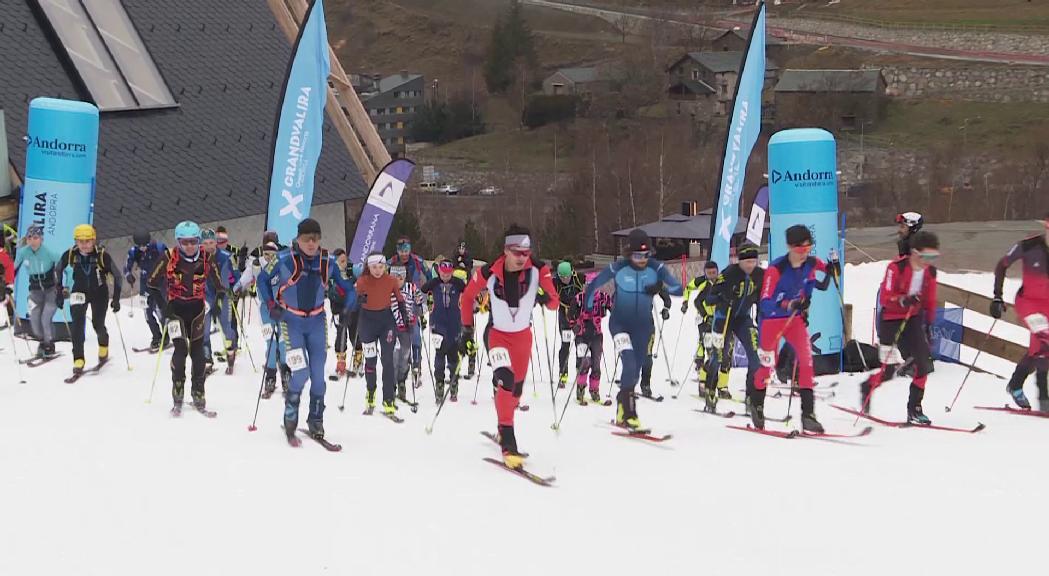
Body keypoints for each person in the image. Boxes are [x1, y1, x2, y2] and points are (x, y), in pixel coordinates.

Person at [461, 225, 559, 468]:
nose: (522, 258)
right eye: (516, 252)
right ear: (505, 250)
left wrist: (546, 299)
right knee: (505, 378)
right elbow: (467, 296)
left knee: (515, 392)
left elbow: (555, 303)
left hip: (523, 338)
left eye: (526, 252)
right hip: (496, 335)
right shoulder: (488, 272)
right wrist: (466, 329)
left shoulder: (539, 270)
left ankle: (502, 421)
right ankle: (509, 441)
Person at [257, 218, 354, 442]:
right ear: (298, 239)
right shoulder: (283, 259)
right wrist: (271, 305)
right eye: (306, 239)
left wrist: (349, 304)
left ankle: (316, 419)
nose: (311, 243)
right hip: (291, 322)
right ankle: (290, 413)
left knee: (319, 377)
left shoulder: (327, 262)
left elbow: (346, 286)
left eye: (315, 239)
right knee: (301, 372)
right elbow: (262, 280)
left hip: (317, 322)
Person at [584, 229, 682, 431]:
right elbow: (594, 285)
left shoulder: (656, 268)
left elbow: (678, 289)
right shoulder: (618, 268)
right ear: (629, 254)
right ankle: (629, 414)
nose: (642, 260)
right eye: (637, 255)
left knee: (635, 372)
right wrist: (588, 307)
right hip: (620, 324)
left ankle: (622, 408)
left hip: (643, 327)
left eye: (646, 255)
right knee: (628, 363)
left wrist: (659, 286)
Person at [752, 225, 838, 432]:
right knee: (767, 367)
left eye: (808, 248)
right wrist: (787, 305)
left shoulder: (810, 262)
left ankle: (808, 414)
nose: (804, 254)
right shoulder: (776, 269)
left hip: (795, 320)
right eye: (800, 249)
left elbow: (824, 271)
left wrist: (833, 268)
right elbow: (765, 301)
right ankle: (756, 404)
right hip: (772, 321)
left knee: (806, 362)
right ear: (789, 247)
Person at [859, 231, 941, 424]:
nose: (927, 262)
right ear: (914, 253)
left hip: (912, 319)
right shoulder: (895, 268)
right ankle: (867, 387)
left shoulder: (930, 272)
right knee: (890, 370)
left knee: (924, 365)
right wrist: (903, 299)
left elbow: (930, 300)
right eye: (924, 257)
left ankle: (915, 409)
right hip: (890, 320)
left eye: (933, 257)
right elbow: (886, 297)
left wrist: (929, 324)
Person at [147, 221, 225, 413]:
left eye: (193, 242)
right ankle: (178, 387)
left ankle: (198, 390)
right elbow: (152, 283)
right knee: (180, 351)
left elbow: (220, 286)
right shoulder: (168, 257)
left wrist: (217, 305)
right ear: (178, 242)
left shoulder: (207, 259)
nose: (189, 246)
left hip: (197, 310)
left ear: (199, 241)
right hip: (176, 311)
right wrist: (164, 307)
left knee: (198, 352)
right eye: (184, 242)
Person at [992, 212, 1049, 411]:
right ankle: (1044, 397)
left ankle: (1015, 385)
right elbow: (1002, 265)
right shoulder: (1029, 245)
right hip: (1028, 302)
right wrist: (997, 296)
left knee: (1037, 349)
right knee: (1045, 340)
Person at [703, 244, 763, 412]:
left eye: (753, 261)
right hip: (724, 318)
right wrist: (724, 295)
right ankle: (710, 391)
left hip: (742, 318)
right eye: (747, 262)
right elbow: (709, 299)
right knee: (719, 356)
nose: (750, 266)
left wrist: (761, 314)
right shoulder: (730, 272)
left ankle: (751, 397)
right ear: (739, 261)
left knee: (755, 357)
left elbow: (762, 297)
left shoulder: (760, 275)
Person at [56, 224, 122, 377]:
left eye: (88, 241)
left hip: (99, 293)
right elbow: (58, 269)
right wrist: (58, 292)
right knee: (77, 325)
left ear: (94, 240)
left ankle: (103, 343)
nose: (84, 245)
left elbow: (117, 276)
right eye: (80, 241)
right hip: (79, 291)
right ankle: (78, 359)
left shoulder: (102, 255)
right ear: (76, 241)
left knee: (97, 324)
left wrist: (117, 299)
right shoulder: (71, 254)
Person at [355, 252, 409, 416]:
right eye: (374, 267)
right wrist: (357, 303)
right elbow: (356, 299)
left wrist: (404, 315)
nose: (378, 270)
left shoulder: (391, 280)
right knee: (370, 361)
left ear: (385, 266)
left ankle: (388, 399)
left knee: (387, 361)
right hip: (367, 322)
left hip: (386, 322)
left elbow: (399, 299)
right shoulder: (362, 281)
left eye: (381, 267)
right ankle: (371, 392)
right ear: (368, 267)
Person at [234, 240, 289, 397]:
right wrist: (236, 288)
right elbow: (244, 278)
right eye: (266, 254)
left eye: (272, 254)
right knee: (270, 343)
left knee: (284, 343)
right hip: (266, 309)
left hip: (283, 308)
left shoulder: (282, 263)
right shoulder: (256, 265)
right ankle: (270, 377)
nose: (269, 257)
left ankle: (286, 375)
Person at [12, 225, 61, 359]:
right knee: (34, 319)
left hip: (51, 291)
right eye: (29, 238)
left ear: (41, 239)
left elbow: (65, 267)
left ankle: (49, 344)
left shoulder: (49, 252)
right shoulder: (23, 252)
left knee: (46, 318)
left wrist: (66, 287)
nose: (32, 241)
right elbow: (13, 268)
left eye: (36, 238)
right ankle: (42, 342)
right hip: (35, 291)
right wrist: (6, 282)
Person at [421, 259, 467, 401]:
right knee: (440, 353)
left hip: (454, 322)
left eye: (448, 274)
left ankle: (454, 382)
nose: (445, 276)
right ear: (439, 272)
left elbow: (470, 292)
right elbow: (422, 290)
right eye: (443, 273)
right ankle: (439, 382)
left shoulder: (458, 283)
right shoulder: (434, 283)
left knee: (453, 354)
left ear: (452, 272)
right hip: (437, 321)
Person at [388, 236, 431, 379]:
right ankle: (400, 364)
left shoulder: (418, 261)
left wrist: (429, 293)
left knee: (416, 334)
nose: (404, 253)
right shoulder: (391, 262)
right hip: (396, 301)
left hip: (413, 300)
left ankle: (417, 364)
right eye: (401, 250)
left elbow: (430, 276)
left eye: (406, 249)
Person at [200, 228, 238, 373]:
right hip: (205, 296)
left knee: (226, 327)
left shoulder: (226, 256)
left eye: (211, 242)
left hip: (223, 295)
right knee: (204, 330)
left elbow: (235, 275)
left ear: (216, 242)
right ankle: (207, 360)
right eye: (205, 243)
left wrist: (234, 287)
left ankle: (230, 350)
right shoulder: (198, 258)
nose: (209, 246)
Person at [124, 230, 168, 351]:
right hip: (145, 283)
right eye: (140, 246)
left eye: (145, 245)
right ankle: (156, 336)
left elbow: (171, 263)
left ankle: (167, 334)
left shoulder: (159, 247)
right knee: (147, 312)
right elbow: (126, 267)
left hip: (160, 282)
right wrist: (129, 275)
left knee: (160, 310)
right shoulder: (134, 252)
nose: (143, 248)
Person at [569, 289, 612, 405]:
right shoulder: (579, 298)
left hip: (596, 335)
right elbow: (570, 313)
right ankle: (581, 389)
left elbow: (612, 306)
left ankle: (594, 390)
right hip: (581, 335)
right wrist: (573, 325)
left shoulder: (603, 296)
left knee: (596, 364)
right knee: (585, 361)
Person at [390, 264, 422, 402]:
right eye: (394, 277)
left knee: (404, 356)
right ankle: (391, 386)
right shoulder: (386, 289)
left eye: (400, 277)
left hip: (407, 328)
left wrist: (418, 309)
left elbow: (420, 301)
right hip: (391, 328)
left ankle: (402, 381)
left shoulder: (411, 288)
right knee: (392, 358)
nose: (398, 280)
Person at [682, 260, 720, 377]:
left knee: (716, 340)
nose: (712, 276)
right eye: (709, 273)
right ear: (705, 273)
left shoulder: (721, 281)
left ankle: (711, 365)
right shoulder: (702, 282)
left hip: (717, 316)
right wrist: (685, 302)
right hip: (703, 316)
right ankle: (700, 364)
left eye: (714, 273)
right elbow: (689, 289)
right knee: (704, 339)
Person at [328, 249, 359, 378]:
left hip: (353, 307)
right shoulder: (331, 272)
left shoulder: (352, 270)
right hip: (337, 308)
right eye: (339, 261)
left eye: (344, 260)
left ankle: (358, 359)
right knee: (341, 333)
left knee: (354, 333)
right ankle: (341, 362)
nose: (343, 263)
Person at [553, 260, 584, 387]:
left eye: (567, 277)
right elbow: (544, 289)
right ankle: (563, 373)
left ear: (572, 273)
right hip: (564, 317)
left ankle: (580, 371)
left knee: (580, 344)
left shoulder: (579, 278)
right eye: (562, 277)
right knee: (565, 345)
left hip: (577, 316)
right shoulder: (555, 282)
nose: (565, 279)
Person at [638, 287, 672, 399]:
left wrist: (666, 309)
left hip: (647, 323)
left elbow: (665, 295)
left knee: (647, 355)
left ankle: (645, 384)